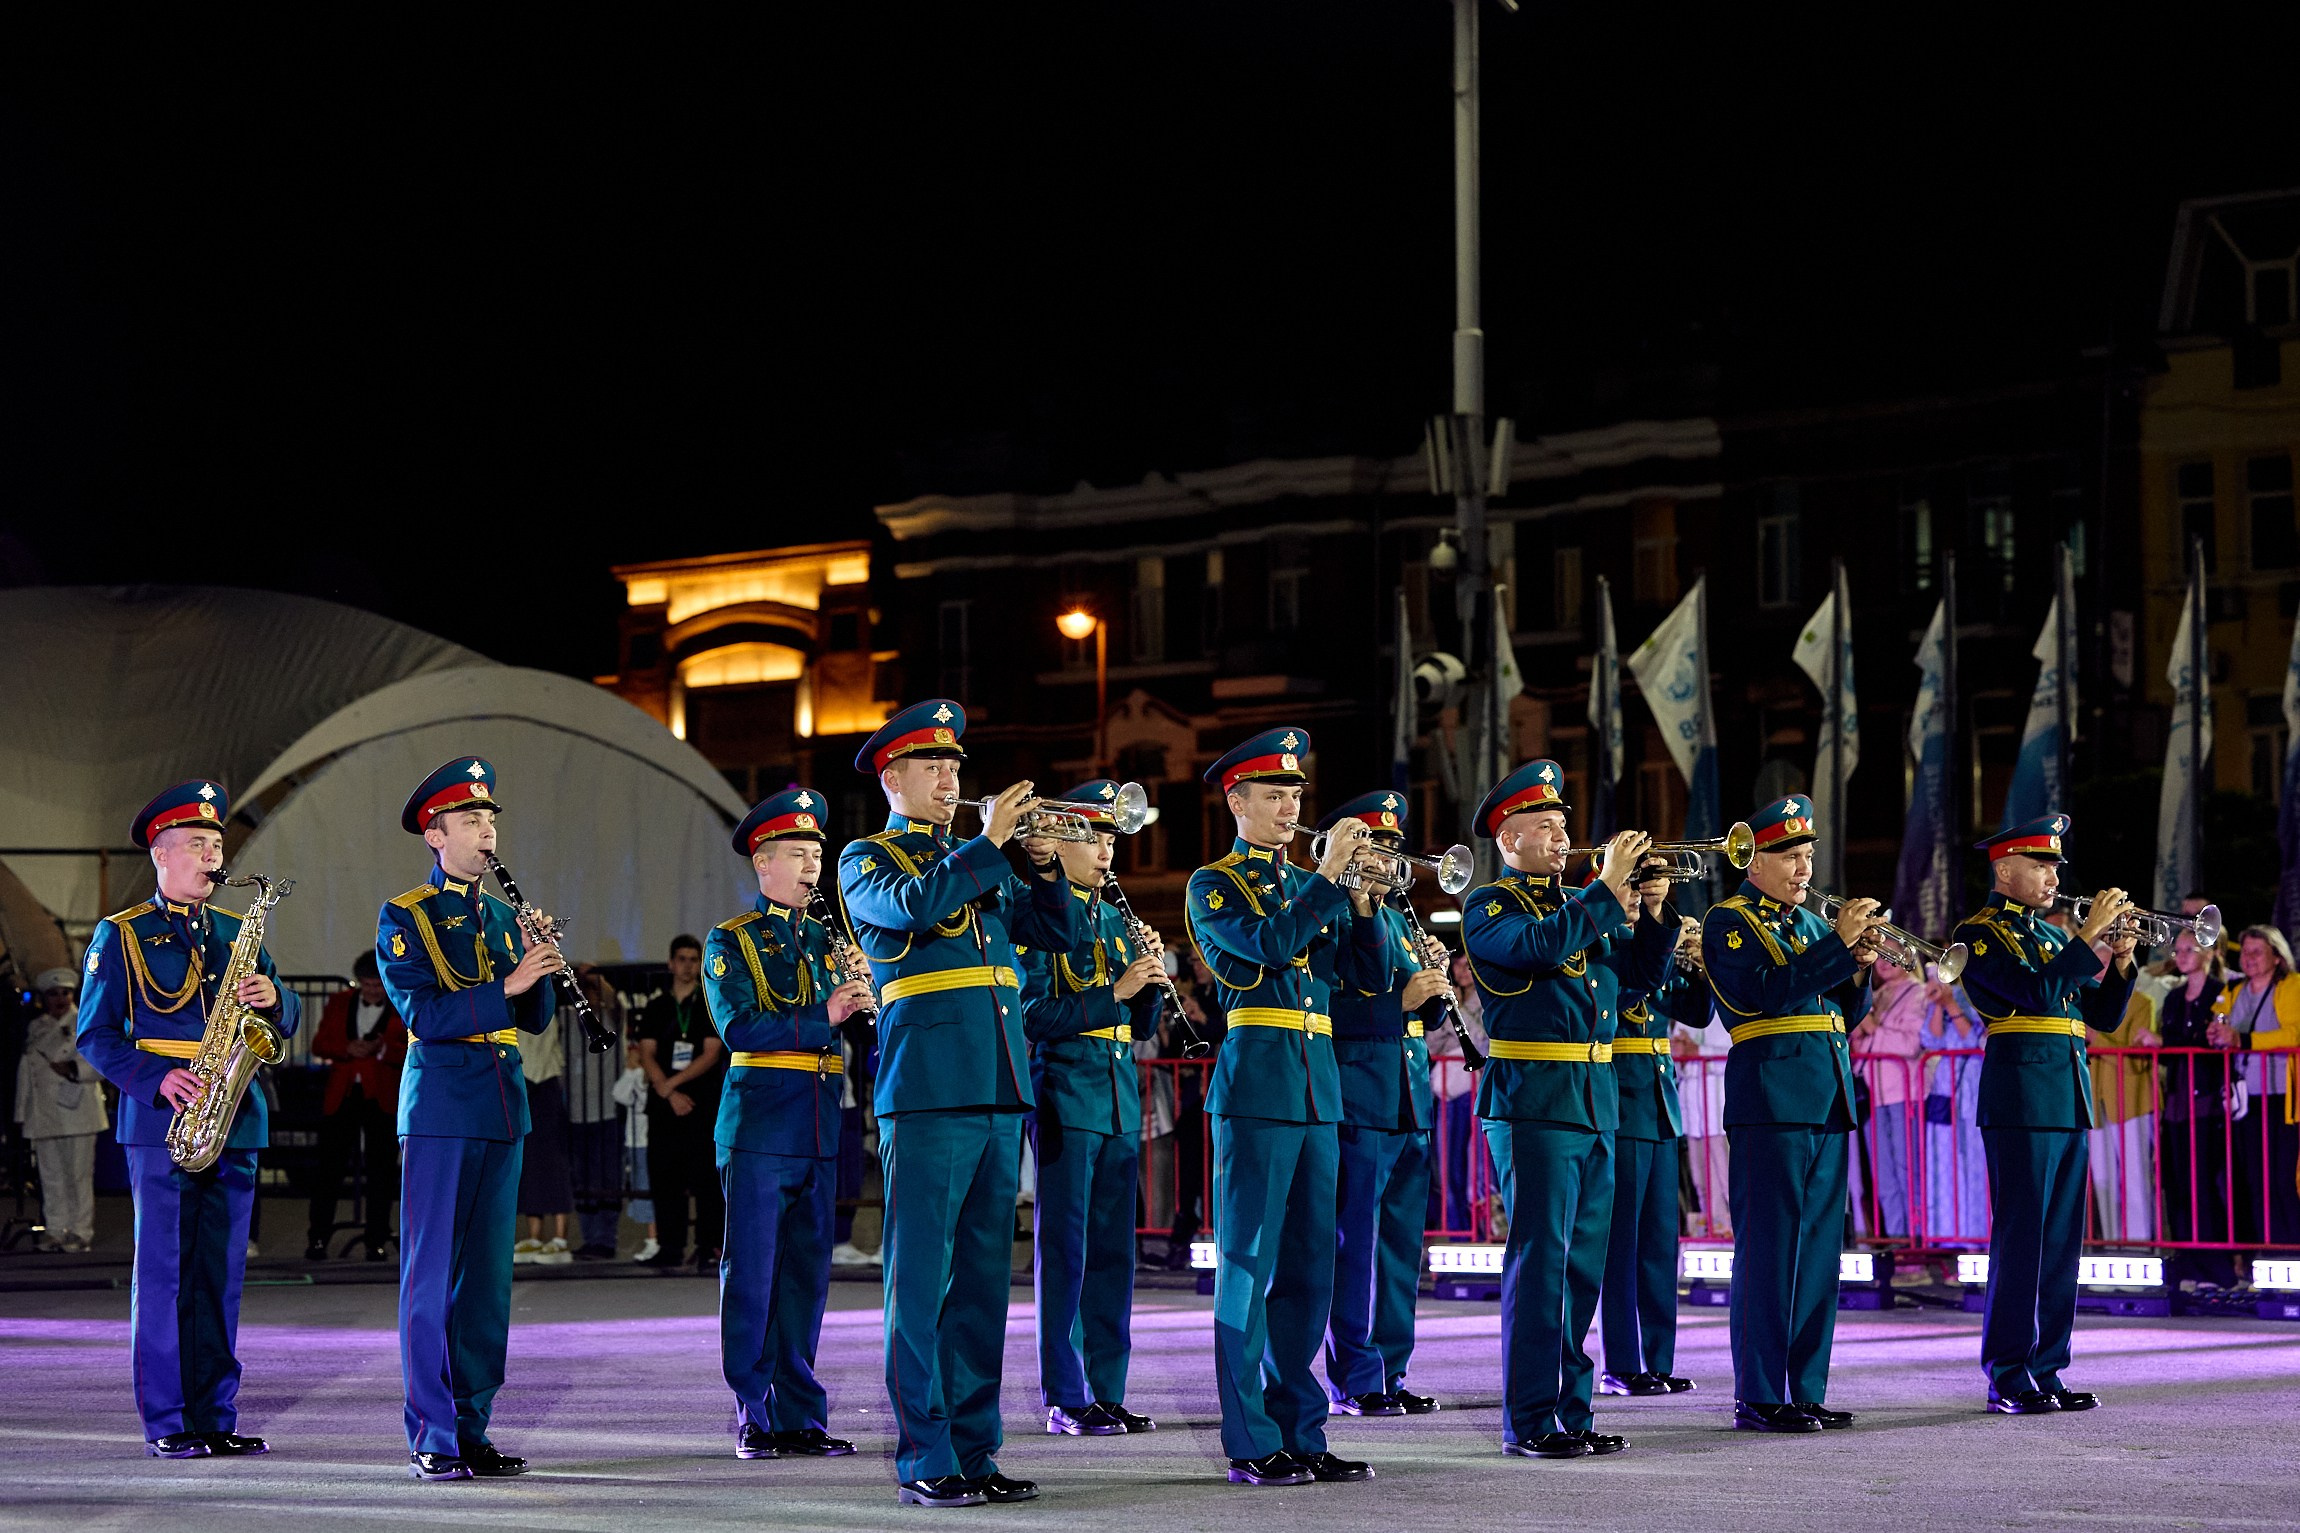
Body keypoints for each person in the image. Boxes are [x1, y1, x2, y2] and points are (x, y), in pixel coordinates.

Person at [838, 699, 1083, 1508]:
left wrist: (1043, 865)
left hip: (998, 1087)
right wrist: (991, 844)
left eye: (954, 767)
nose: (949, 779)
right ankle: (925, 1454)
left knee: (981, 1288)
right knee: (919, 1286)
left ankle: (975, 1451)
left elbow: (1059, 935)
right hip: (929, 1091)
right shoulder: (866, 858)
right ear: (892, 777)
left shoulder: (978, 859)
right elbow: (914, 907)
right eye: (933, 767)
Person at [76, 780, 302, 1458]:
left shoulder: (236, 931)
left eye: (217, 844)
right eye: (198, 843)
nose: (212, 856)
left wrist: (276, 997)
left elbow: (284, 1017)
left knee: (220, 1276)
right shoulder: (121, 933)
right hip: (163, 1119)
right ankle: (170, 1421)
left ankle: (215, 1416)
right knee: (165, 1273)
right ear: (161, 853)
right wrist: (156, 1077)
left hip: (235, 1115)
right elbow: (95, 1035)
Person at [1186, 726, 1382, 1488]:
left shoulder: (1310, 882)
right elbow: (1268, 945)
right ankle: (1250, 1437)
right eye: (1274, 795)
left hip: (1315, 1088)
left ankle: (1302, 1430)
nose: (1290, 808)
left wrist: (1363, 905)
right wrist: (1328, 881)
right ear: (1237, 801)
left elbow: (1365, 977)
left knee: (1308, 1270)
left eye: (1295, 794)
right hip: (1259, 1090)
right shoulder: (1213, 884)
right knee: (1246, 1265)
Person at [1460, 759, 1667, 1459]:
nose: (1560, 836)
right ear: (1508, 839)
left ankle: (1570, 1412)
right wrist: (1605, 889)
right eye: (1544, 825)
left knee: (1582, 1267)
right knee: (1541, 1260)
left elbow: (1638, 981)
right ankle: (1529, 1418)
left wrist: (1654, 912)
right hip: (1535, 1099)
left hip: (1595, 1098)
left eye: (1561, 824)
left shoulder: (1582, 905)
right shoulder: (1491, 905)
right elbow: (1540, 948)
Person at [379, 756, 559, 1480]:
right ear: (435, 834)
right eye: (471, 820)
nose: (487, 832)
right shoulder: (406, 915)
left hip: (502, 1103)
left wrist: (539, 963)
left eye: (490, 820)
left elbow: (534, 1018)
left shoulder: (503, 914)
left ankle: (471, 1426)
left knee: (486, 1284)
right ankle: (432, 1432)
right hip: (442, 1107)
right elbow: (423, 1013)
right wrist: (508, 982)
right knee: (430, 1279)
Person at [1702, 793, 1879, 1434]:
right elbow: (1766, 995)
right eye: (1789, 857)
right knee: (1769, 1251)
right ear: (1755, 862)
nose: (1804, 868)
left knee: (1818, 1256)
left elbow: (1840, 1016)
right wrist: (1837, 946)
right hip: (1771, 1097)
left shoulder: (1808, 924)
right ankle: (1758, 1393)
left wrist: (1857, 970)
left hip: (1826, 1095)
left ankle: (1805, 1388)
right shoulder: (1729, 920)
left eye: (1807, 855)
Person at [705, 787, 873, 1461]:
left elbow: (857, 1029)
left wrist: (868, 994)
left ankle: (800, 1412)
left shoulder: (831, 941)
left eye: (816, 855)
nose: (811, 867)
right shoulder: (733, 939)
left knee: (806, 1276)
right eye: (798, 854)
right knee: (752, 1273)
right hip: (760, 1124)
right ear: (763, 863)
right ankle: (754, 1411)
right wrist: (826, 1013)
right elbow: (740, 1026)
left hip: (818, 1122)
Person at [1955, 814, 2137, 1414]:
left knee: (2060, 1247)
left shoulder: (2055, 939)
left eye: (2055, 866)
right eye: (2040, 866)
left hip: (2066, 1097)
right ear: (2005, 871)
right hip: (2021, 1101)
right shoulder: (1978, 934)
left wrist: (2121, 960)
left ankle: (2047, 1369)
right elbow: (2034, 993)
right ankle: (2008, 1374)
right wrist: (2090, 937)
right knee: (2021, 1242)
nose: (2053, 877)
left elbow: (2102, 1016)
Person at [1018, 779, 1165, 1437]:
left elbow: (1138, 1025)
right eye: (1094, 838)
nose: (1107, 851)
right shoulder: (1038, 915)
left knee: (1113, 1255)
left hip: (1116, 1095)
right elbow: (1032, 1014)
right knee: (1066, 1251)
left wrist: (1150, 982)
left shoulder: (1114, 919)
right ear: (1060, 843)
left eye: (1111, 838)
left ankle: (1107, 1389)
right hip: (1065, 1090)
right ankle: (1066, 1394)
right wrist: (1117, 991)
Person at [1316, 790, 1455, 1419]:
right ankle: (1355, 1377)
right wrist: (1399, 1000)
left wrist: (1433, 986)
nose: (1388, 860)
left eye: (1393, 849)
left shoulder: (1401, 919)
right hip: (1360, 1095)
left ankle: (1391, 1371)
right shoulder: (1331, 917)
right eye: (1374, 848)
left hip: (1408, 1097)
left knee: (1400, 1248)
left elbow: (1422, 1016)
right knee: (1356, 1245)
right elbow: (1324, 1008)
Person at [1601, 902, 1702, 1397]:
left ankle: (1658, 1360)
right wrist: (1662, 947)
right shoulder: (1606, 945)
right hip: (1622, 1100)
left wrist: (1699, 963)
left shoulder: (1650, 946)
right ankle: (1621, 1364)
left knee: (1662, 1243)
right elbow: (1621, 996)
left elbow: (1697, 1012)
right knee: (1622, 1244)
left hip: (1660, 1102)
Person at [304, 950, 407, 1261]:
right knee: (329, 1170)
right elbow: (319, 1043)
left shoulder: (401, 1003)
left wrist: (383, 1049)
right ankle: (318, 1238)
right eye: (367, 985)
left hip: (382, 1097)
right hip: (343, 1095)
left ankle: (376, 1239)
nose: (373, 991)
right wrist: (347, 1047)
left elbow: (410, 1048)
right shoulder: (339, 1003)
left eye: (378, 985)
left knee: (381, 1172)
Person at [634, 934, 726, 1272]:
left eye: (693, 959)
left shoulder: (709, 1004)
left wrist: (671, 1086)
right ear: (671, 964)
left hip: (700, 1103)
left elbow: (711, 1053)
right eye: (682, 959)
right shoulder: (656, 1006)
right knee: (665, 1176)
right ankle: (669, 1246)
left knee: (706, 1178)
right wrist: (667, 1092)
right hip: (664, 1106)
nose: (687, 966)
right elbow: (646, 1052)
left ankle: (707, 1246)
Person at [2152, 929, 2238, 1288]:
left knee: (2205, 1184)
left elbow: (2212, 1042)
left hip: (2206, 1102)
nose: (2182, 955)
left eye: (2190, 948)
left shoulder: (2222, 992)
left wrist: (2165, 1042)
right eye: (2179, 949)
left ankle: (2215, 1267)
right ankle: (2187, 1262)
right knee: (2177, 1185)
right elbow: (2172, 1046)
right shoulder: (2173, 997)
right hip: (2176, 1102)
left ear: (2209, 952)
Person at [2210, 925, 2300, 1248]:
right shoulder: (2233, 990)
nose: (2248, 958)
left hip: (2282, 1098)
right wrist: (2215, 1034)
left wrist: (2244, 1040)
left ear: (2277, 956)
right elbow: (2218, 1021)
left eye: (2256, 952)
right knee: (2255, 1179)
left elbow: (2294, 1034)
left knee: (2283, 1179)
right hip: (2246, 1099)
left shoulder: (2292, 986)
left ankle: (2292, 1251)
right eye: (2245, 952)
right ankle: (2267, 1252)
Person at [15, 966, 107, 1252]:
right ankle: (55, 1230)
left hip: (77, 1110)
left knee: (78, 1175)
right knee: (50, 1176)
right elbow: (27, 1073)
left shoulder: (86, 1020)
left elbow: (102, 1061)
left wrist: (74, 1070)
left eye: (65, 993)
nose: (59, 999)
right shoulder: (37, 1026)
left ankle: (80, 1232)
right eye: (53, 994)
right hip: (43, 1114)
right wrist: (22, 1113)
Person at [2086, 943, 2160, 1244]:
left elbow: (2136, 1060)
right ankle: (2112, 1244)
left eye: (2105, 965)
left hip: (2131, 1102)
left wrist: (2096, 1039)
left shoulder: (2141, 1002)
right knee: (2103, 1180)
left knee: (2135, 1178)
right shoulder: (2083, 1003)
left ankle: (2139, 1247)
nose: (2098, 972)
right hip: (2095, 1104)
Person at [1851, 956, 1927, 1239]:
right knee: (1883, 1173)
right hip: (1874, 1094)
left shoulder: (1919, 993)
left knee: (1909, 1169)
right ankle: (1898, 1238)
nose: (1884, 961)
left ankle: (1918, 1239)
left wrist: (1873, 1029)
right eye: (1879, 955)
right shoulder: (1876, 995)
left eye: (1890, 954)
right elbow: (1859, 1044)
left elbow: (1911, 1043)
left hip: (1905, 1093)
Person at [1914, 972, 1990, 1247]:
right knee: (1944, 1160)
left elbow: (1973, 1039)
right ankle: (1948, 1235)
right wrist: (1938, 1004)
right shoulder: (1948, 995)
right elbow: (1931, 1039)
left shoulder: (1979, 997)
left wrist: (1950, 1004)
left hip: (1972, 1084)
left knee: (1974, 1163)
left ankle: (1977, 1235)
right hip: (1945, 1087)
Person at [513, 1013, 576, 1265]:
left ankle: (560, 1239)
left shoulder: (541, 1004)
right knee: (529, 1162)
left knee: (554, 1163)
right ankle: (535, 1236)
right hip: (524, 1082)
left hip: (543, 1084)